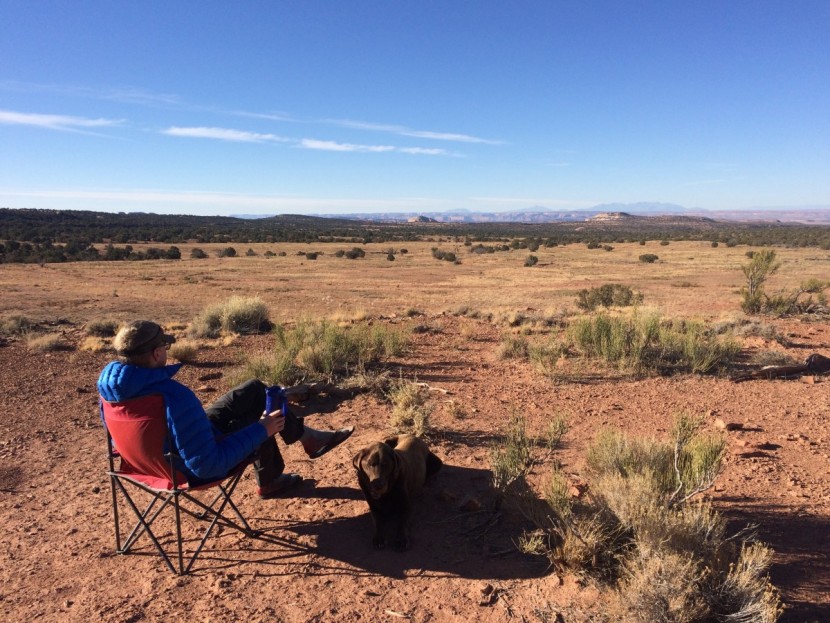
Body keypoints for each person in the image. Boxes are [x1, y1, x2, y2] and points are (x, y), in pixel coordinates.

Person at [97, 320, 353, 497]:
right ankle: (275, 476)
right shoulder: (173, 396)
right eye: (165, 347)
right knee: (258, 415)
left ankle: (307, 440)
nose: (166, 351)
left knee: (254, 390)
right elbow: (208, 466)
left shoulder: (110, 393)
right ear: (155, 355)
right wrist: (261, 430)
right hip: (185, 470)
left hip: (150, 461)